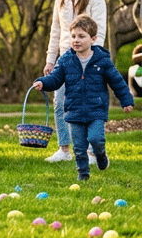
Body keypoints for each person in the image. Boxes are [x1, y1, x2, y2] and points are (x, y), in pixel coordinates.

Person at [33, 15, 133, 181]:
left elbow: (117, 82)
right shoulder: (66, 60)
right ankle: (83, 175)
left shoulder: (102, 60)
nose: (76, 40)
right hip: (74, 110)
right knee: (79, 148)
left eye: (81, 36)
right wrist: (43, 83)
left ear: (93, 38)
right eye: (73, 36)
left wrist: (126, 100)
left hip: (96, 110)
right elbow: (55, 79)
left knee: (96, 139)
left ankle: (101, 156)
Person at [43, 0, 108, 164]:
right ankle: (64, 149)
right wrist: (51, 60)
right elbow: (56, 30)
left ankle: (90, 152)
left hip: (89, 58)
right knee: (60, 101)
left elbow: (100, 30)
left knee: (87, 102)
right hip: (65, 57)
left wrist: (92, 59)